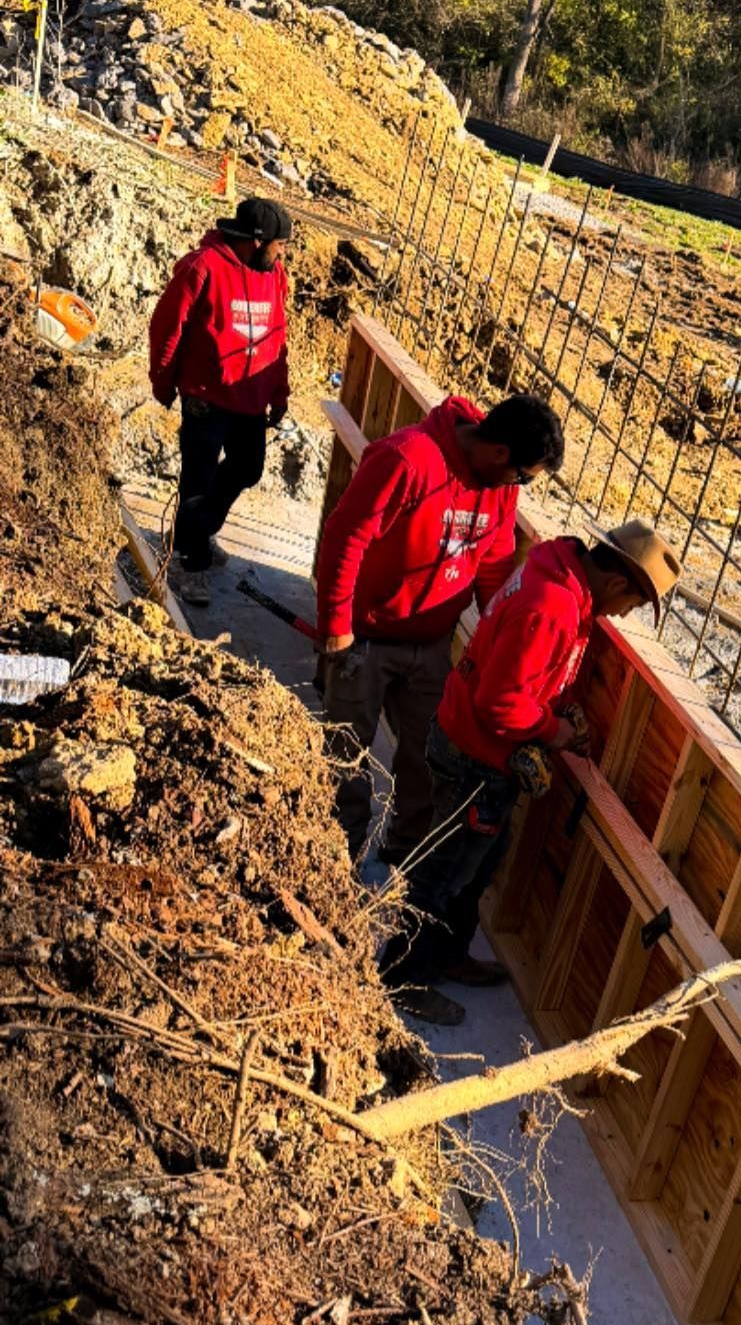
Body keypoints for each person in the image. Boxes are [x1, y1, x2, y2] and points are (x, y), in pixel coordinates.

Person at [381, 519, 682, 1025]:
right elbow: (499, 702)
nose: (624, 616)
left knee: (479, 863)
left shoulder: (559, 579)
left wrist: (553, 707)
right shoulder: (554, 607)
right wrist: (553, 730)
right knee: (446, 874)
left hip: (477, 749)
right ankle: (404, 977)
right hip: (474, 757)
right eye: (630, 605)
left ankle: (448, 955)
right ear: (615, 584)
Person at [315, 393, 564, 866]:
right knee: (345, 756)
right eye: (523, 477)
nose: (520, 487)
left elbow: (492, 564)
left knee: (425, 761)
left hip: (430, 646)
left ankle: (400, 857)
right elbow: (346, 536)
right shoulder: (407, 458)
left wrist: (502, 642)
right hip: (367, 638)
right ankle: (334, 858)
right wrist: (336, 625)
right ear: (499, 453)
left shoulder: (500, 488)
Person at [149, 198, 292, 608]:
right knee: (197, 480)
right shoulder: (203, 267)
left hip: (249, 400)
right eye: (279, 245)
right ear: (258, 240)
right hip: (205, 398)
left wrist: (278, 393)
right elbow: (167, 326)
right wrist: (164, 382)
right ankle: (189, 565)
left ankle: (197, 530)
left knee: (248, 468)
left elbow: (277, 338)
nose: (282, 253)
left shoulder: (273, 274)